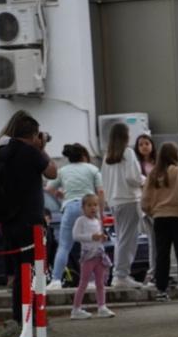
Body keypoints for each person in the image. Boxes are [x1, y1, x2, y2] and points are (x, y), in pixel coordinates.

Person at [0, 110, 56, 325]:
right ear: (33, 135)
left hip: (8, 221)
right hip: (30, 221)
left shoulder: (0, 151)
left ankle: (19, 316)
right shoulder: (30, 152)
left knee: (19, 271)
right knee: (34, 270)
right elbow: (52, 172)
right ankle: (33, 317)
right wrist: (42, 149)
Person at [142, 141, 178, 298]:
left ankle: (161, 289)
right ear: (175, 155)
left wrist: (152, 211)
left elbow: (145, 200)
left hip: (159, 218)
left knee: (162, 254)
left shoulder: (153, 174)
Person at [50, 143, 103, 289]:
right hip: (89, 207)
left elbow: (48, 188)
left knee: (64, 245)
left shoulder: (63, 171)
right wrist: (101, 212)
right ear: (84, 155)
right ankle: (91, 281)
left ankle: (56, 280)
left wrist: (59, 194)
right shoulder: (92, 169)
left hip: (70, 207)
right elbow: (101, 192)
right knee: (90, 246)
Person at [101, 122, 145, 290]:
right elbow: (133, 178)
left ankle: (119, 274)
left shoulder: (107, 156)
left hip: (114, 201)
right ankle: (121, 275)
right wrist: (146, 180)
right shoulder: (128, 153)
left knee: (121, 238)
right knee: (128, 239)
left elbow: (103, 180)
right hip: (128, 199)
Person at [68, 193, 115, 319]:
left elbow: (98, 236)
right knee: (83, 282)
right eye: (89, 205)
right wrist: (90, 237)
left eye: (95, 205)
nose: (93, 208)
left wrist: (102, 238)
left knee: (100, 282)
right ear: (83, 207)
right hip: (88, 256)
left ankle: (102, 307)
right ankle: (76, 309)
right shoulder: (80, 220)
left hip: (99, 255)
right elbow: (75, 236)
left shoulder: (97, 221)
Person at [134, 132, 156, 282]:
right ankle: (153, 270)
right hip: (146, 205)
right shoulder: (136, 164)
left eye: (147, 143)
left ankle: (156, 270)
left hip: (160, 203)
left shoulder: (158, 162)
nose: (144, 147)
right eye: (141, 144)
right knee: (153, 240)